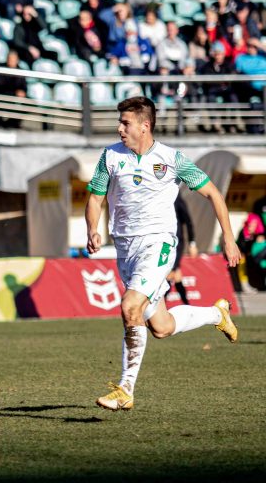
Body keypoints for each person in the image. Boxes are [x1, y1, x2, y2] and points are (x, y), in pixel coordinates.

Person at [85, 97, 240, 411]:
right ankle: (216, 314)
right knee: (161, 326)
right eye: (120, 122)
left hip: (159, 245)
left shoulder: (172, 158)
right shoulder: (110, 156)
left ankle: (125, 388)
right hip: (125, 250)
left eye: (125, 123)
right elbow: (94, 199)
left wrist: (228, 238)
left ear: (145, 126)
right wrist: (92, 229)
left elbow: (212, 193)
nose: (119, 129)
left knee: (130, 307)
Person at [165, 195, 197, 305]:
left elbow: (188, 221)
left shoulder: (175, 198)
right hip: (163, 242)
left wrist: (192, 243)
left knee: (169, 274)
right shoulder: (157, 195)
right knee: (176, 276)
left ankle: (158, 309)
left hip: (175, 243)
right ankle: (188, 306)